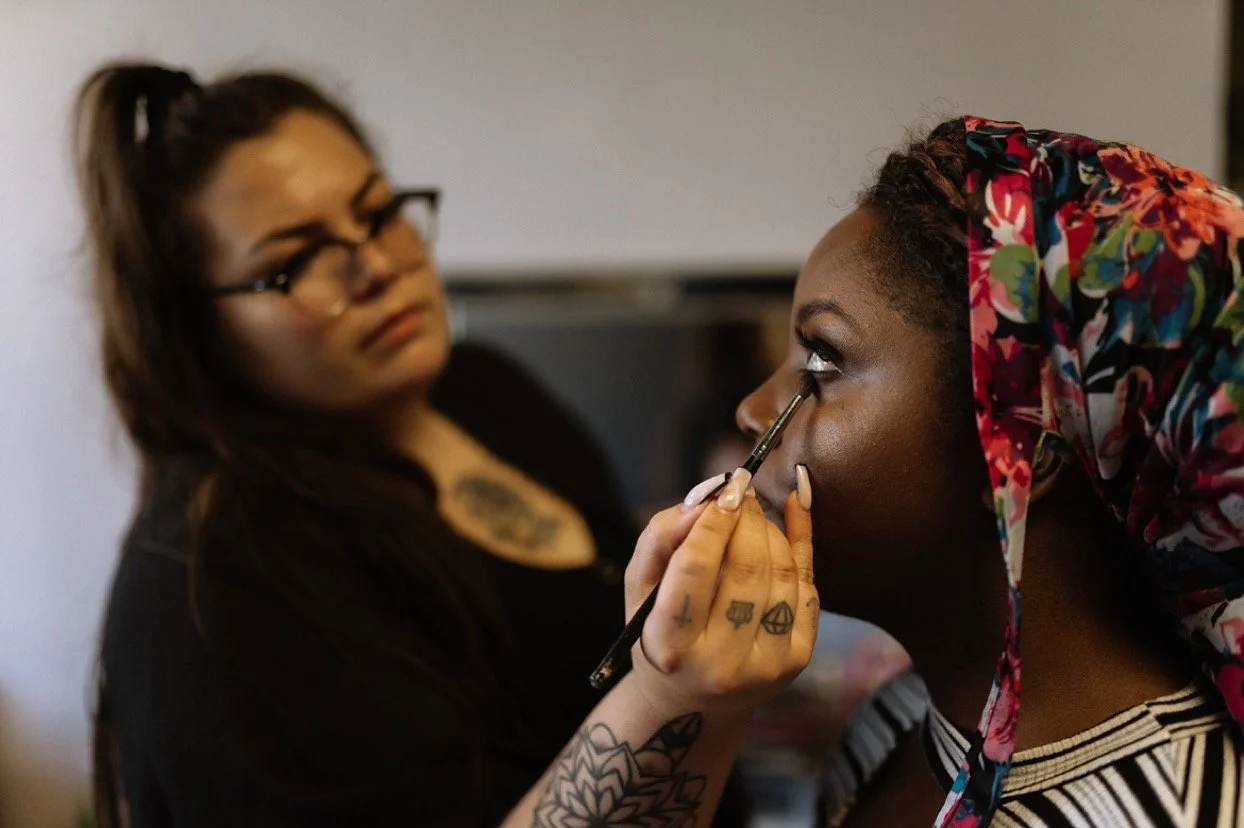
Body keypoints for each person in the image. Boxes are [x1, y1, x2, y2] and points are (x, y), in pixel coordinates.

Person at [76, 62, 814, 827]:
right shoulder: (215, 587)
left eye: (379, 211)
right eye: (295, 261)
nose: (376, 265)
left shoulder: (486, 390)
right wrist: (675, 691)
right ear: (197, 331)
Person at [737, 117, 1244, 826]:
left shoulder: (1181, 814)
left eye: (822, 362)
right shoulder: (897, 727)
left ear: (1023, 450)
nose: (752, 411)